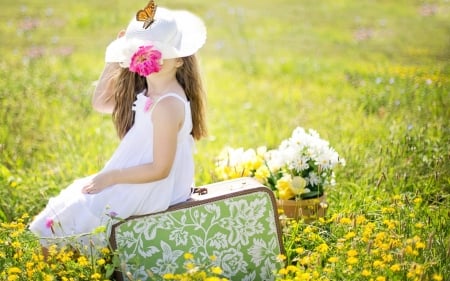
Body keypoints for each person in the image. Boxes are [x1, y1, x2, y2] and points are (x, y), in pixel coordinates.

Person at [29, 3, 208, 249]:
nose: (154, 58)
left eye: (163, 52)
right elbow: (101, 102)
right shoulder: (148, 92)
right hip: (136, 180)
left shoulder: (167, 104)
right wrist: (115, 58)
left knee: (78, 211)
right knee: (71, 203)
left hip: (152, 188)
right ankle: (62, 265)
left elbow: (160, 169)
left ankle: (68, 267)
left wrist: (111, 178)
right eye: (143, 51)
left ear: (180, 60)